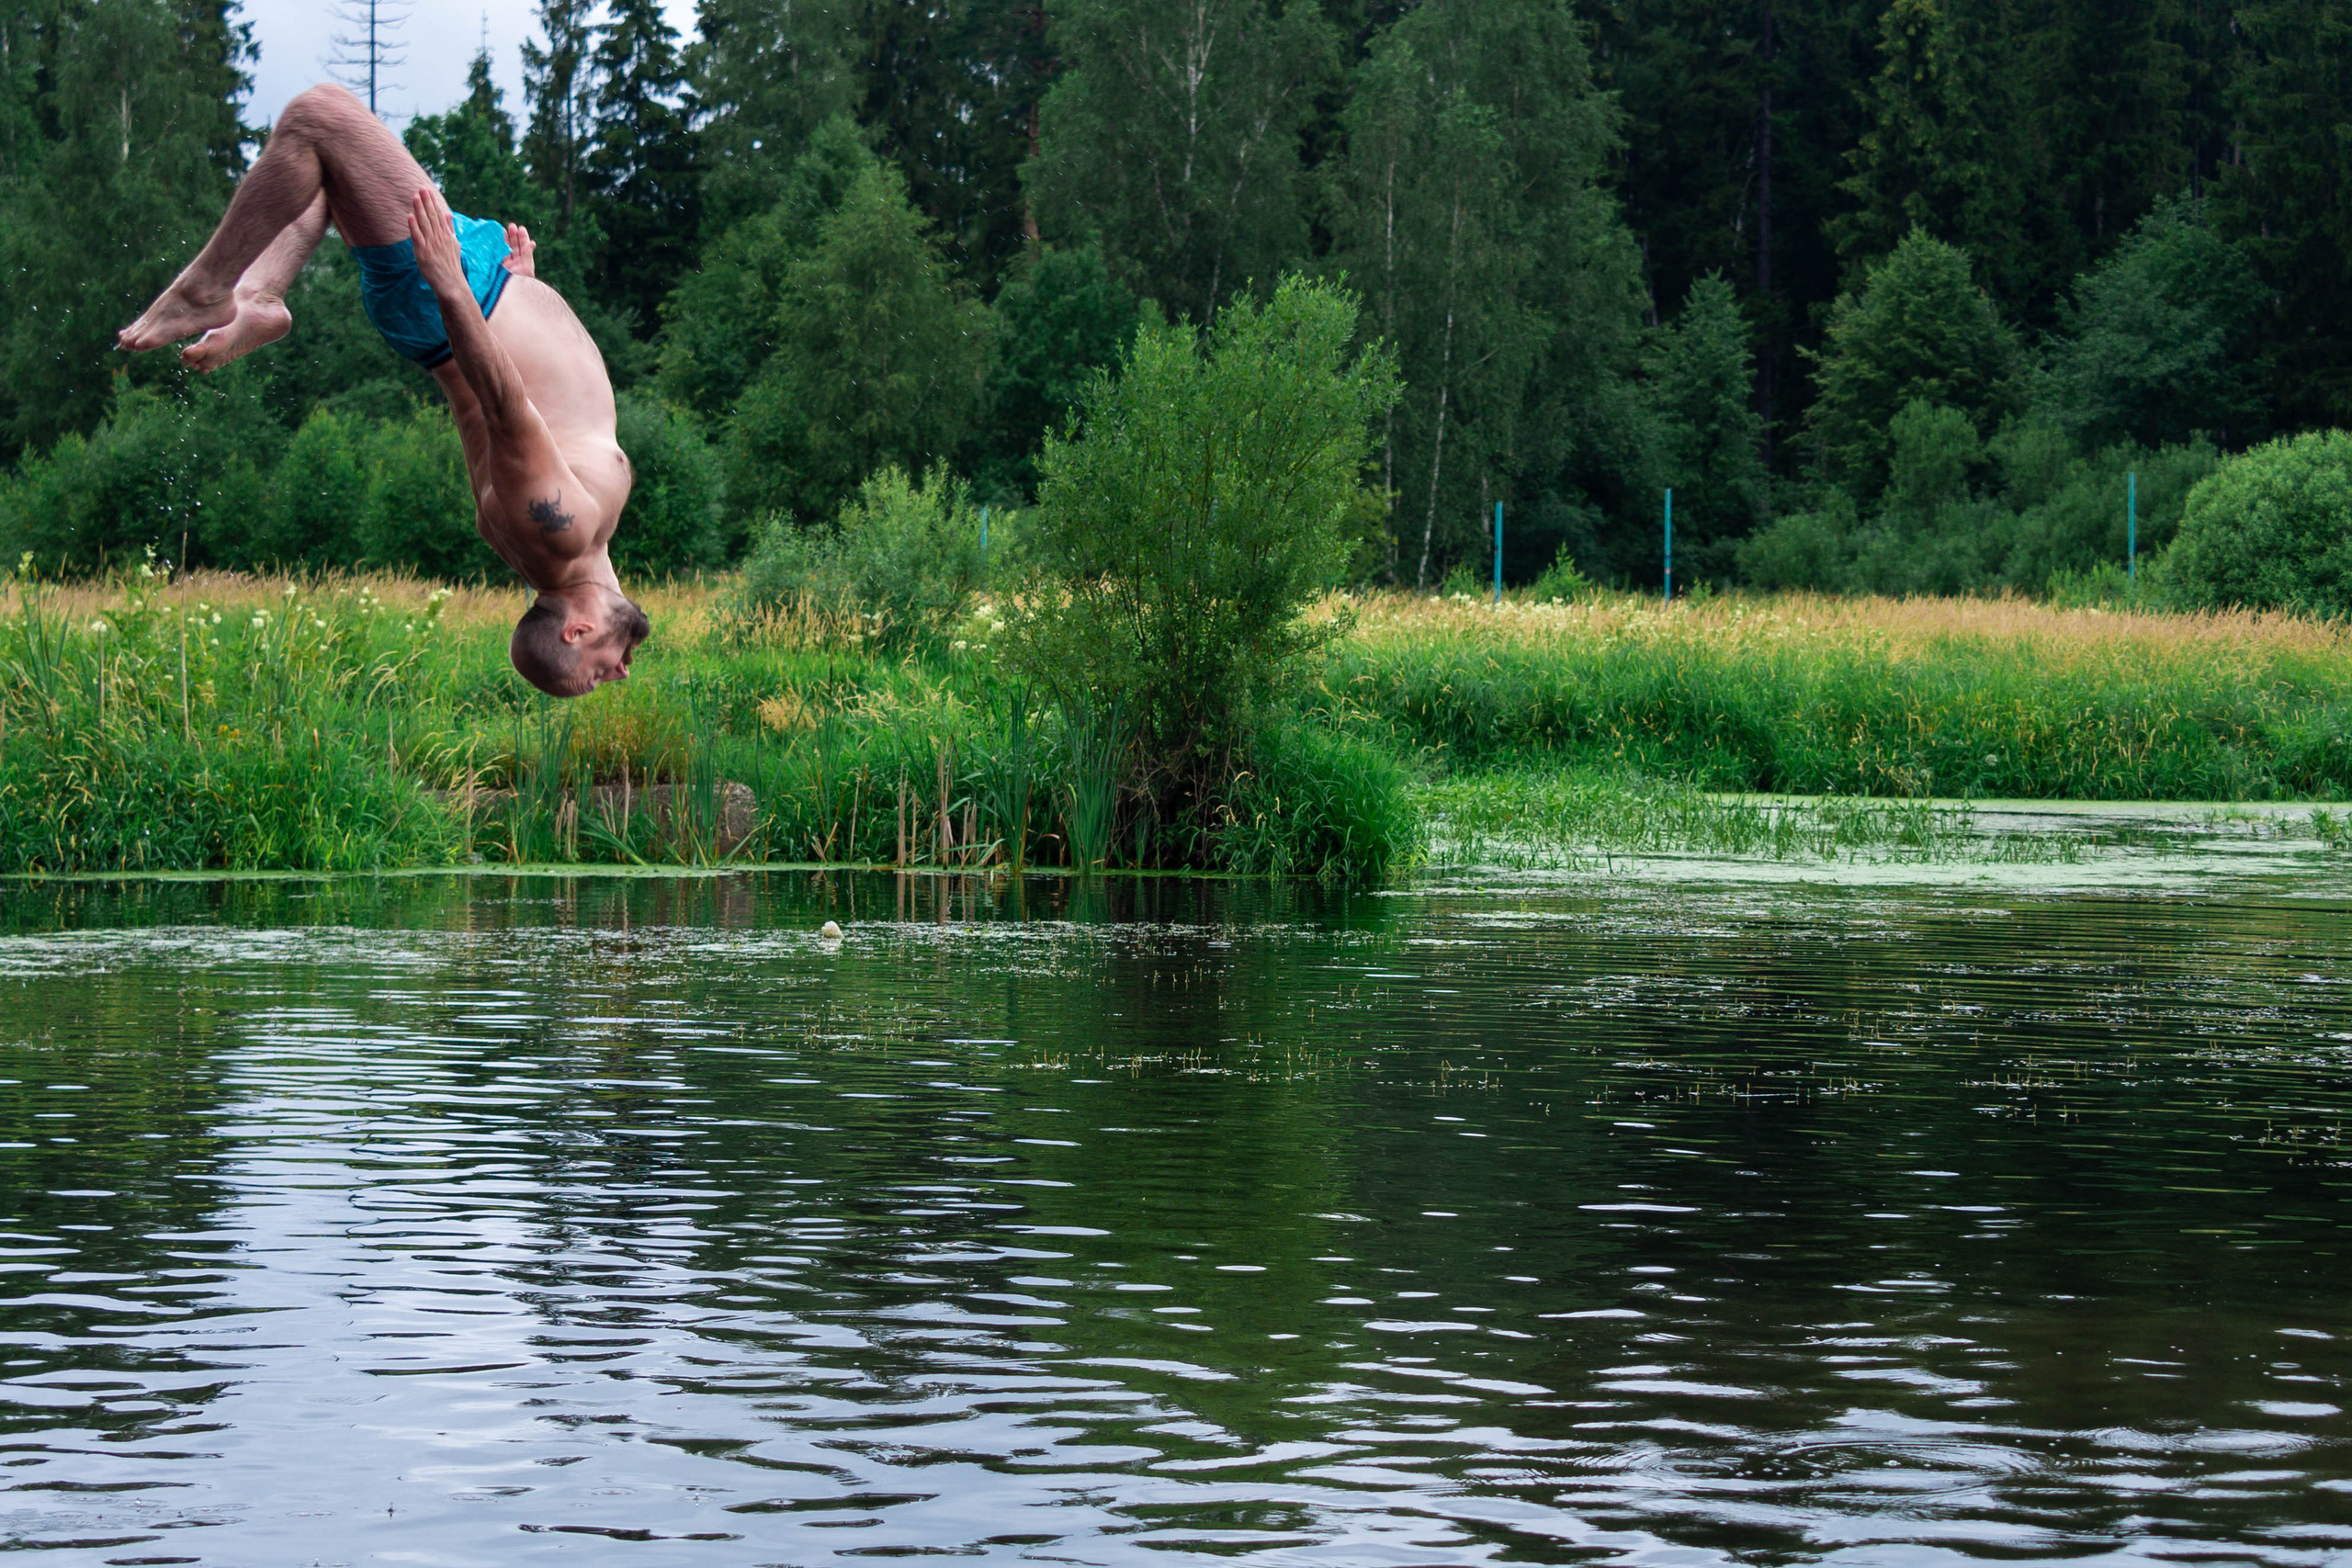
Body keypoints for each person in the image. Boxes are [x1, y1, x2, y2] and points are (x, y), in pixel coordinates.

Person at [117, 83, 645, 696]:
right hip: (478, 294)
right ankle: (261, 298)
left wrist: (450, 287)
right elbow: (501, 414)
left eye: (603, 670)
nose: (624, 667)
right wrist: (526, 291)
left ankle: (208, 287)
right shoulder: (567, 547)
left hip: (455, 296)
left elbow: (505, 409)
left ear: (575, 633)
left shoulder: (555, 536)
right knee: (334, 175)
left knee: (317, 120)